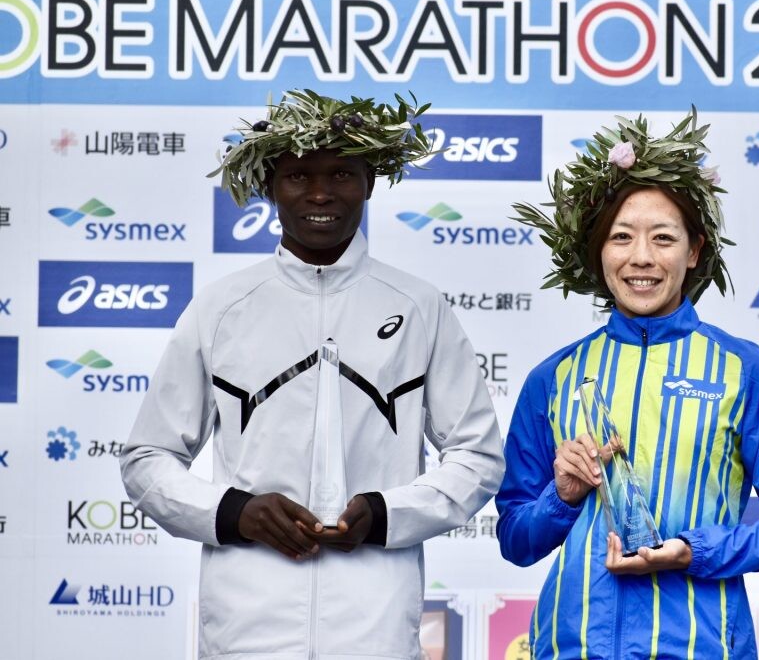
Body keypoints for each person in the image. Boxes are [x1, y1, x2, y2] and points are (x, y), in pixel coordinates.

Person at [120, 89, 504, 660]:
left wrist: (388, 514)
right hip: (245, 629)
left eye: (342, 174)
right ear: (270, 185)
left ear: (370, 182)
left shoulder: (420, 306)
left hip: (374, 628)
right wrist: (235, 513)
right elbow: (147, 459)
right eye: (298, 176)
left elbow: (478, 456)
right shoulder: (221, 308)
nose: (321, 194)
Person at [496, 111, 759, 659]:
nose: (641, 257)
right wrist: (562, 496)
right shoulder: (553, 378)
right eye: (621, 237)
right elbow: (515, 539)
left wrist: (693, 551)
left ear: (694, 251)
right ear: (598, 252)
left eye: (663, 238)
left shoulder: (745, 370)